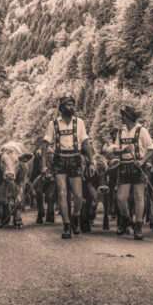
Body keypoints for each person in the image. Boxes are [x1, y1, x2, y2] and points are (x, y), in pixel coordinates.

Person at [41, 96, 97, 239]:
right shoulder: (52, 124)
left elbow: (85, 143)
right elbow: (45, 145)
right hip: (59, 159)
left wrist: (92, 161)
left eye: (72, 105)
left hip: (75, 158)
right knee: (62, 194)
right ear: (61, 108)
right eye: (67, 105)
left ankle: (76, 215)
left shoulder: (79, 123)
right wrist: (43, 165)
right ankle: (66, 225)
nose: (71, 107)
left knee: (78, 195)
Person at [109, 106, 153, 240]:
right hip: (124, 167)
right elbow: (115, 150)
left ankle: (139, 226)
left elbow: (151, 149)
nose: (121, 118)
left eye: (123, 115)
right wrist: (122, 151)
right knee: (121, 198)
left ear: (128, 116)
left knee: (138, 197)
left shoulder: (142, 131)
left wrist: (142, 161)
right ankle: (126, 219)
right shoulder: (121, 132)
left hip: (137, 167)